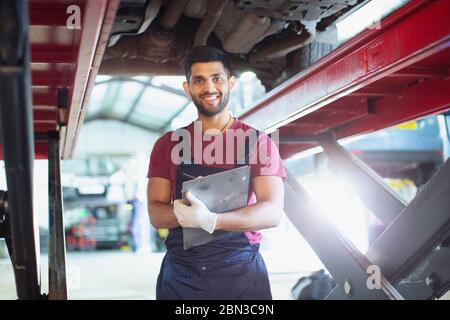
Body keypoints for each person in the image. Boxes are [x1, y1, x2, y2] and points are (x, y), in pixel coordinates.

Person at [147, 46, 286, 300]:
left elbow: (273, 212)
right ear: (187, 88)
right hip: (182, 278)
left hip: (240, 275)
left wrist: (211, 220)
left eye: (217, 79)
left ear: (231, 83)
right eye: (199, 80)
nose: (209, 88)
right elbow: (156, 213)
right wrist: (181, 213)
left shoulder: (258, 142)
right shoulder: (168, 145)